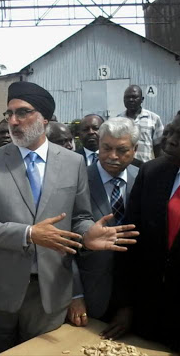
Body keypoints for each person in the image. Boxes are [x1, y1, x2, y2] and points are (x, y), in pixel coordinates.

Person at [0, 81, 138, 356]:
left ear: (44, 118)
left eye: (23, 112)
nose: (13, 121)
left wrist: (87, 235)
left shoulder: (73, 163)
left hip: (50, 292)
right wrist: (29, 234)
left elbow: (80, 217)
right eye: (9, 114)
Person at [103, 105, 180, 355]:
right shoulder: (152, 172)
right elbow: (129, 242)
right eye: (169, 131)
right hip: (146, 311)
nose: (168, 141)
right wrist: (125, 305)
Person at [69, 117, 140, 327]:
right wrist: (74, 295)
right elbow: (62, 243)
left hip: (133, 297)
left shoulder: (145, 178)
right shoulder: (75, 180)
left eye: (122, 150)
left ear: (135, 149)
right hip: (90, 294)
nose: (112, 156)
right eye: (106, 148)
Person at [117, 85, 164, 162]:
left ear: (142, 99)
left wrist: (158, 166)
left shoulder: (153, 118)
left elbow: (159, 147)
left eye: (134, 97)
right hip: (125, 167)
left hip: (146, 166)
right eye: (127, 97)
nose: (131, 100)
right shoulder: (118, 120)